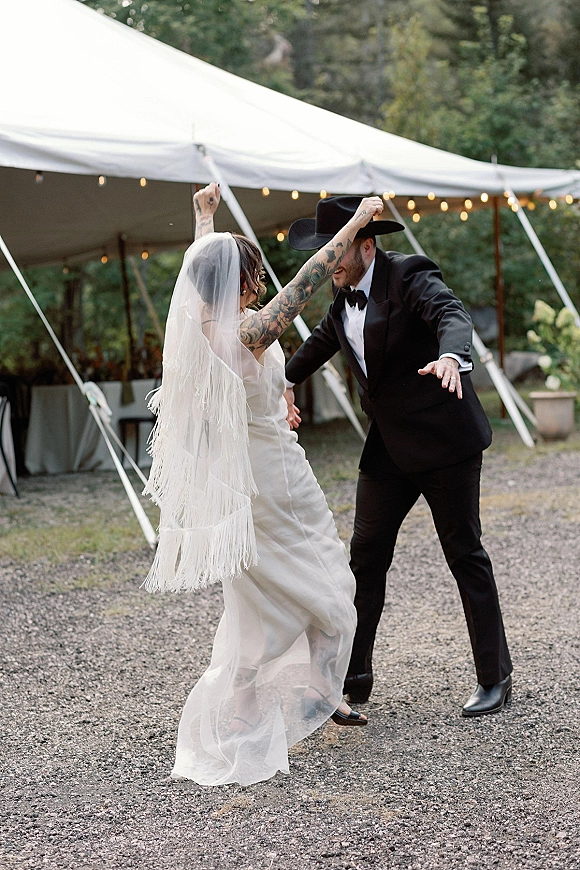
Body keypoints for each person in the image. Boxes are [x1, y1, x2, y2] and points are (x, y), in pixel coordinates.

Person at [143, 184, 385, 787]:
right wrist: (354, 225)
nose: (259, 279)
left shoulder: (207, 323)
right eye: (252, 271)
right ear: (242, 281)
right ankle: (320, 693)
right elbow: (305, 284)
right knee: (332, 586)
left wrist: (203, 219)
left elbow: (208, 271)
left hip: (249, 477)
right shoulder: (245, 330)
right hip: (276, 481)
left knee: (258, 599)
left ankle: (256, 705)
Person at [284, 195, 513, 718]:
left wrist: (452, 355)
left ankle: (493, 674)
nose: (327, 264)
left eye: (335, 253)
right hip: (388, 447)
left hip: (445, 441)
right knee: (365, 557)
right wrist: (280, 382)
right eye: (324, 254)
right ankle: (353, 674)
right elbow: (318, 345)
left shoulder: (407, 274)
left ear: (366, 245)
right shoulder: (342, 297)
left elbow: (450, 313)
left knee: (464, 554)